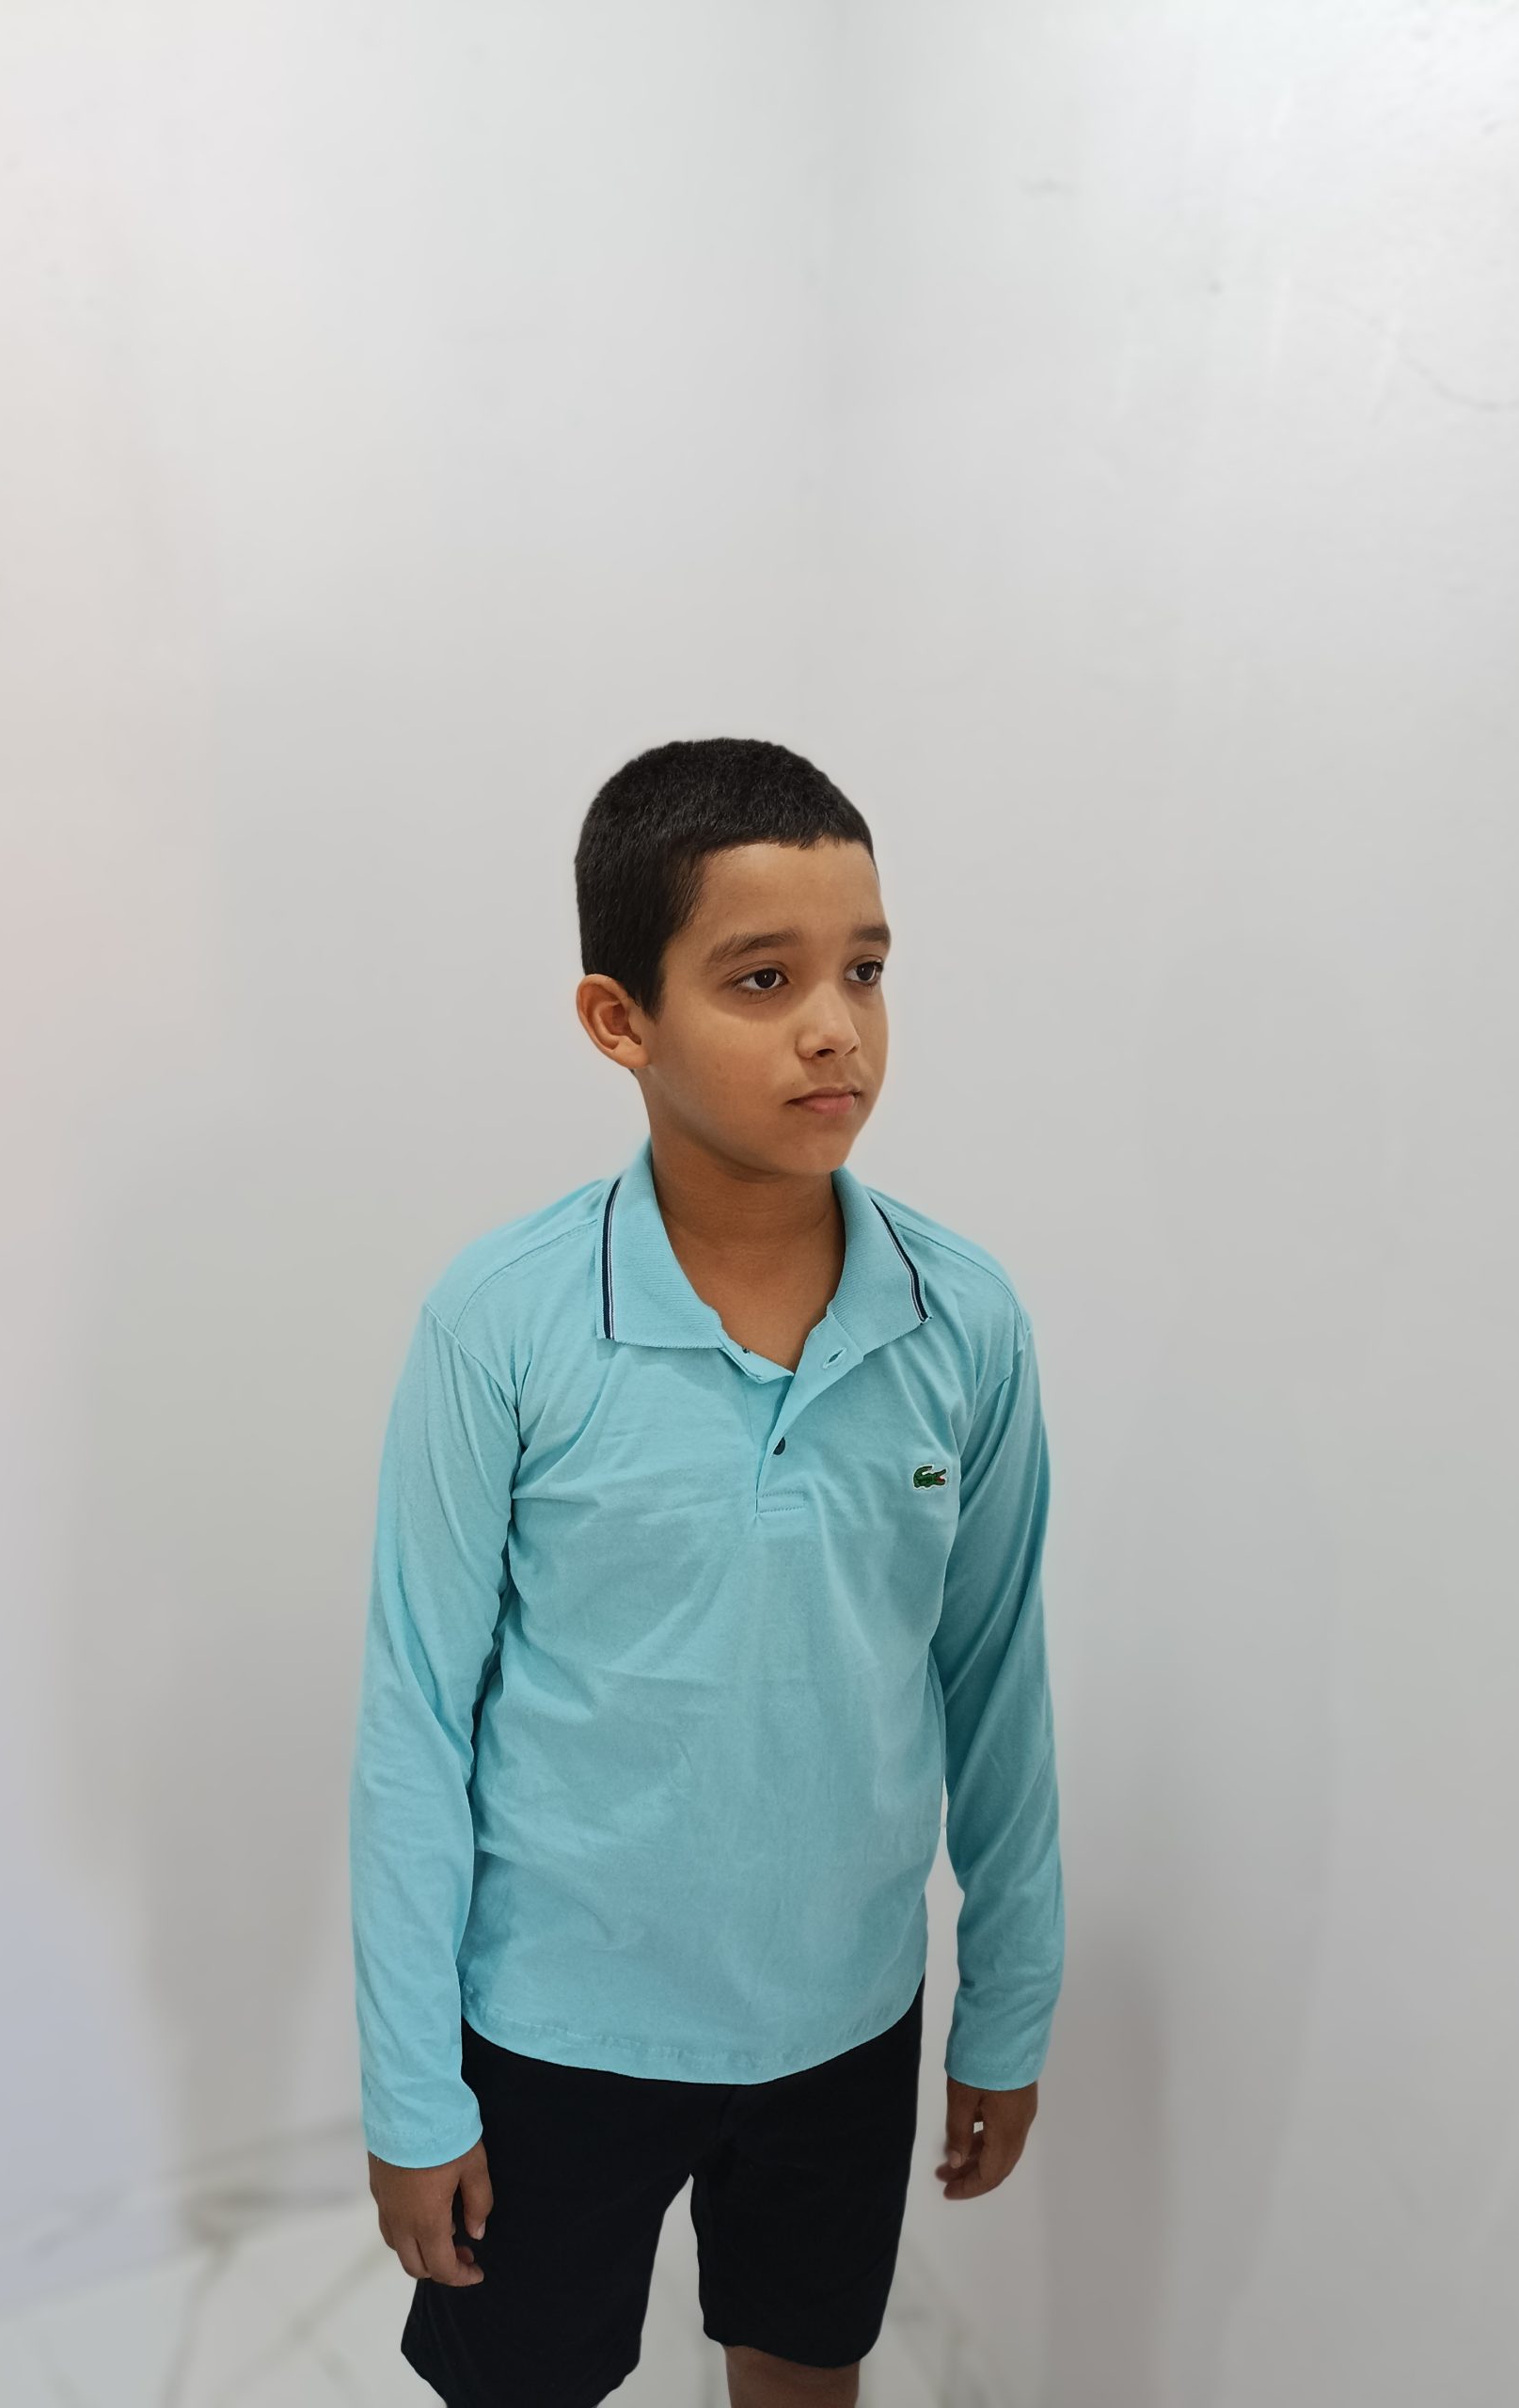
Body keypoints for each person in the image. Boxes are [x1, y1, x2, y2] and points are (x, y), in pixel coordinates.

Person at [349, 737, 1065, 2408]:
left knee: (806, 2370)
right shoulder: (501, 1321)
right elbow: (415, 1718)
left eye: (863, 970)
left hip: (845, 2022)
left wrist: (1008, 2006)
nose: (835, 1027)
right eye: (761, 979)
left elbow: (995, 1684)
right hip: (556, 2029)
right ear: (620, 1021)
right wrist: (411, 2091)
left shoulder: (963, 1321)